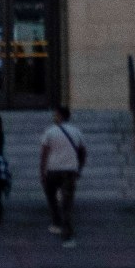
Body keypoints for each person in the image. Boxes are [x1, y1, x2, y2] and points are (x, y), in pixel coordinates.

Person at [39, 104, 87, 247]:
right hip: (70, 171)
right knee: (67, 202)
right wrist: (79, 168)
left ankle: (56, 221)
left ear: (60, 116)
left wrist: (42, 171)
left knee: (51, 196)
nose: (54, 116)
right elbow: (83, 152)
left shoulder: (50, 131)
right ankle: (67, 236)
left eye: (55, 114)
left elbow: (44, 153)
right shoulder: (76, 131)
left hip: (53, 170)